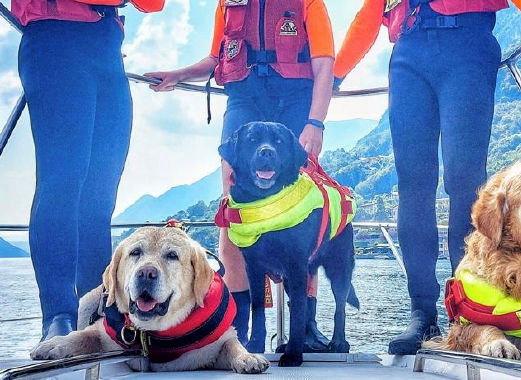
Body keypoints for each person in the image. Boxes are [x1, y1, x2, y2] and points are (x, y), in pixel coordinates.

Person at [334, 0, 521, 355]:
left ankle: (469, 311)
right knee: (412, 184)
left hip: (467, 46)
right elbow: (369, 14)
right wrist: (334, 75)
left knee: (465, 179)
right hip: (410, 54)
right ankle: (422, 312)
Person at [144, 0, 335, 352]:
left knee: (302, 221)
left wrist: (316, 122)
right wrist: (179, 75)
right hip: (244, 100)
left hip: (294, 102)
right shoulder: (227, 4)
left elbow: (324, 64)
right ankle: (238, 329)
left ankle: (305, 326)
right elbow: (216, 60)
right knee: (234, 218)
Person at [11, 0, 165, 343]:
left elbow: (153, 5)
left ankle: (96, 313)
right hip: (54, 41)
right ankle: (58, 316)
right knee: (62, 183)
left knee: (99, 198)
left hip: (107, 49)